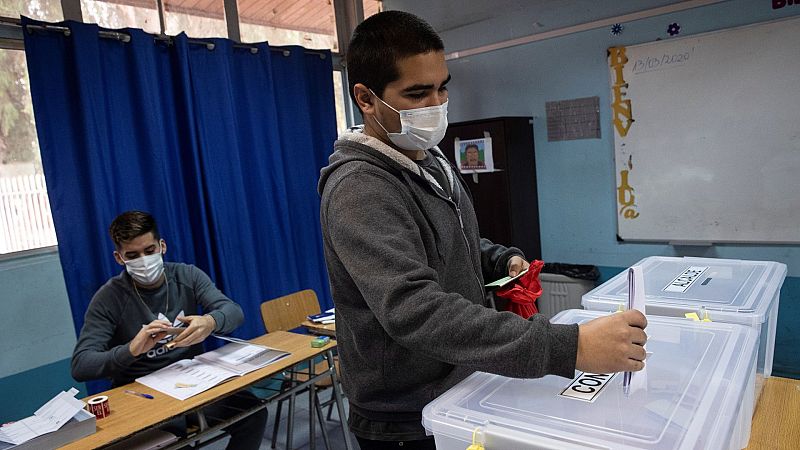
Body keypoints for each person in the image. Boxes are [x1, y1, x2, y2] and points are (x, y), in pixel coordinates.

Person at [318, 11, 647, 449]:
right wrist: (570, 347)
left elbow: (451, 240)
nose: (435, 105)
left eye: (442, 88)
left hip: (460, 380)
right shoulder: (359, 188)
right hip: (405, 413)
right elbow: (416, 310)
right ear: (365, 98)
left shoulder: (429, 160)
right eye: (417, 93)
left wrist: (494, 257)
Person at [71, 210, 267, 450]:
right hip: (143, 394)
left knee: (254, 414)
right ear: (119, 258)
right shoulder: (108, 298)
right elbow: (81, 365)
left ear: (162, 246)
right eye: (132, 255)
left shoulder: (187, 275)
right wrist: (131, 350)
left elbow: (233, 311)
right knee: (172, 440)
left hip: (192, 382)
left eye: (149, 250)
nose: (143, 260)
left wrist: (211, 321)